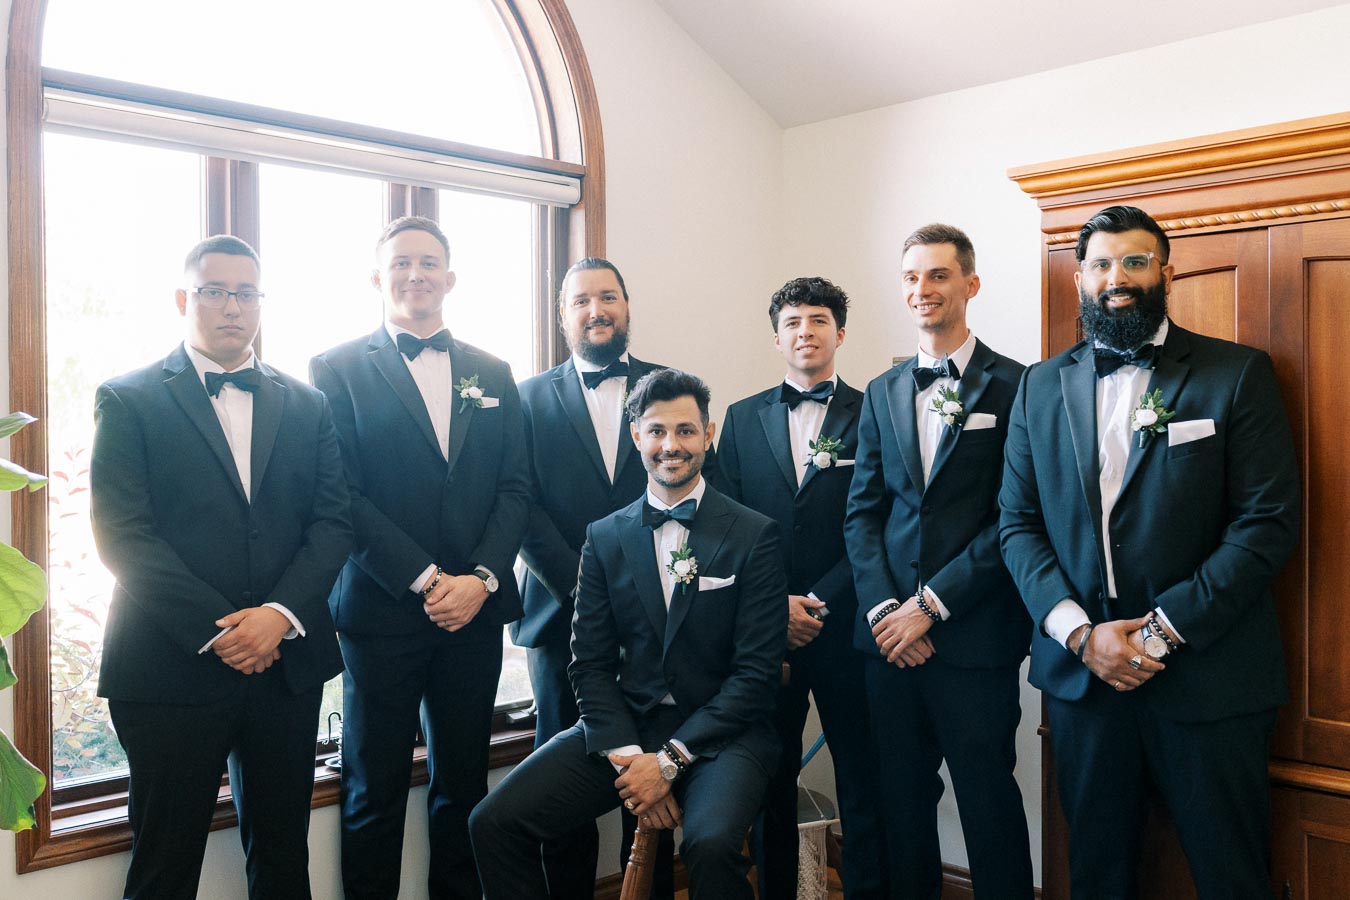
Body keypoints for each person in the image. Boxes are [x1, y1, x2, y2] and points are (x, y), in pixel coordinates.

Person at [1000, 205, 1300, 898]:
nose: (1118, 279)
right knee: (1099, 876)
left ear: (1166, 271)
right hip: (1084, 686)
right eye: (1102, 265)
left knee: (1234, 876)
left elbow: (1267, 525)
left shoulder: (1237, 375)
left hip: (1210, 678)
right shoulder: (1038, 388)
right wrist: (1080, 636)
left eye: (1135, 262)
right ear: (1080, 278)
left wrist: (1161, 633)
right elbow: (1016, 525)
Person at [91, 235, 351, 899]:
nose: (232, 306)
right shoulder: (128, 399)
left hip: (284, 668)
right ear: (185, 298)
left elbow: (332, 523)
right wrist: (225, 630)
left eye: (246, 292)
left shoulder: (308, 404)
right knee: (163, 864)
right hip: (169, 667)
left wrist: (276, 617)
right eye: (215, 290)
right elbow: (123, 536)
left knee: (284, 856)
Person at [470, 367, 786, 900]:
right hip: (629, 727)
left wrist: (669, 762)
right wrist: (633, 760)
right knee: (493, 822)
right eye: (657, 431)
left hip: (724, 735)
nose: (671, 446)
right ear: (636, 435)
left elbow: (755, 676)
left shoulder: (754, 535)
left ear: (708, 435)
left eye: (686, 431)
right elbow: (589, 664)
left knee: (707, 845)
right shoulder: (605, 537)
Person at [310, 216, 529, 899]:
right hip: (381, 612)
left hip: (475, 614)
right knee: (373, 787)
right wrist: (430, 579)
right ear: (379, 277)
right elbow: (342, 494)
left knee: (463, 783)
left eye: (429, 262)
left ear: (451, 278)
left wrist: (481, 581)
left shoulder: (493, 372)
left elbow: (516, 487)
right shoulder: (336, 369)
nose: (416, 274)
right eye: (401, 263)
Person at [844, 224, 1033, 898]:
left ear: (970, 285)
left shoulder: (1018, 386)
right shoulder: (881, 389)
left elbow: (1013, 519)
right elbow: (863, 515)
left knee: (987, 802)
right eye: (911, 278)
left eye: (938, 276)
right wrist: (886, 611)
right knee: (900, 806)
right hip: (888, 645)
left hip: (973, 638)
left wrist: (931, 606)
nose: (922, 289)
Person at [715, 276, 886, 899]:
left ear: (840, 333)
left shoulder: (876, 411)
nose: (805, 332)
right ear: (776, 337)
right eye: (792, 322)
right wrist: (773, 607)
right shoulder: (738, 419)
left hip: (847, 627)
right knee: (770, 780)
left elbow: (878, 521)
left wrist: (821, 600)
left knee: (862, 777)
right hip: (765, 634)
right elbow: (727, 527)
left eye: (818, 320)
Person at [515, 257, 677, 898]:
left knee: (656, 777)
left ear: (628, 306)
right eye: (581, 300)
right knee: (564, 783)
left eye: (608, 297)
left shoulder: (669, 388)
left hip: (657, 622)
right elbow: (519, 505)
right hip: (561, 619)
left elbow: (691, 488)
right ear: (563, 316)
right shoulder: (525, 397)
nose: (596, 309)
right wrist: (588, 593)